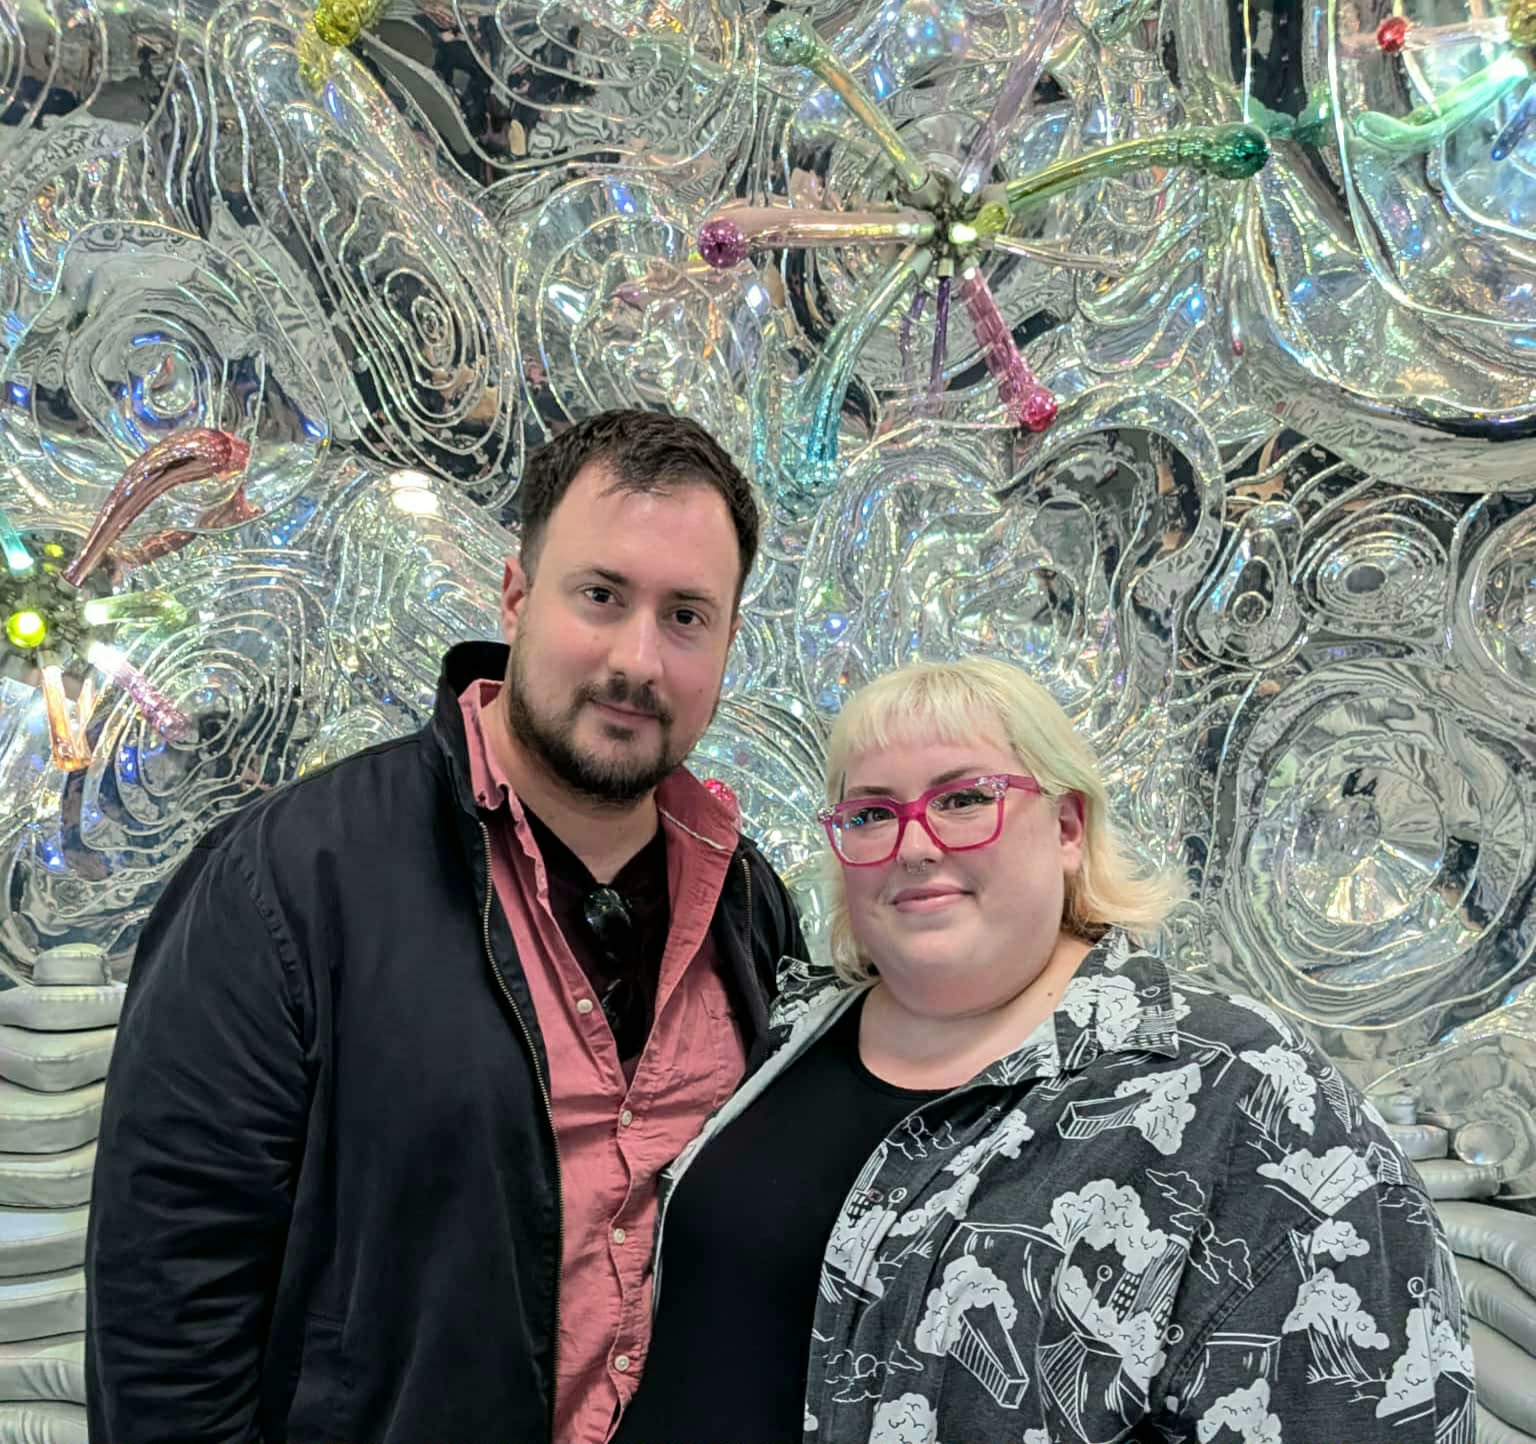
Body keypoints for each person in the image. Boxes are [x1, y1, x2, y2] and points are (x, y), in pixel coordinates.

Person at [85, 409, 806, 1444]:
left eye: (686, 615)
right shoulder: (288, 880)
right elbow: (167, 1291)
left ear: (730, 640)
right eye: (601, 595)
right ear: (514, 596)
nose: (638, 660)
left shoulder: (749, 903)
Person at [615, 656, 1475, 1444]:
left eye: (962, 799)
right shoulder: (798, 1028)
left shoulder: (1238, 1089)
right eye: (872, 813)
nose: (914, 845)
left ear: (1066, 826)